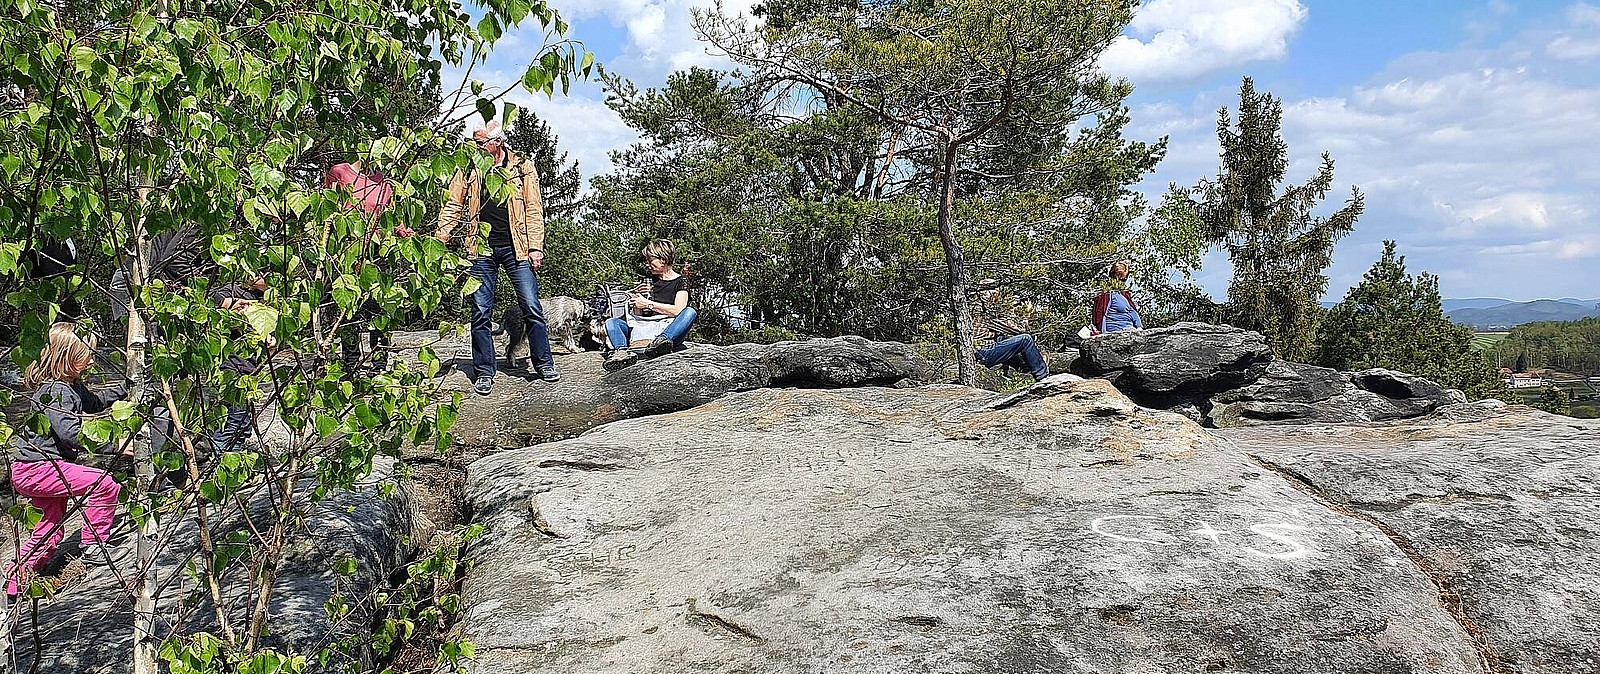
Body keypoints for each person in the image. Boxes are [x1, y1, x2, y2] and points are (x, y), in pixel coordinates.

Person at [433, 122, 559, 395]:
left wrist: (536, 246)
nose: (474, 147)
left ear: (497, 142)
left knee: (531, 306)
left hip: (519, 246)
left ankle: (543, 363)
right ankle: (484, 371)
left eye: (480, 143)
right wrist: (438, 241)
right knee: (480, 312)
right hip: (480, 249)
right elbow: (454, 204)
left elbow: (534, 208)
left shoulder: (522, 167)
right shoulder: (468, 166)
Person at [6, 323, 131, 595]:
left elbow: (96, 402)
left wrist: (127, 386)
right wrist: (115, 445)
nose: (92, 360)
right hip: (38, 468)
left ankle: (16, 580)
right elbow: (69, 433)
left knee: (50, 527)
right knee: (103, 485)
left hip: (35, 469)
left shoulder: (71, 387)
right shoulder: (56, 390)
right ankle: (94, 545)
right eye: (86, 354)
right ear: (66, 357)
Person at [324, 161, 402, 373]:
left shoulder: (385, 182)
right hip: (348, 250)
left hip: (377, 251)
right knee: (350, 310)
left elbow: (391, 218)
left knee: (380, 307)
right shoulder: (340, 172)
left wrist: (409, 235)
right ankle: (351, 364)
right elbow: (327, 207)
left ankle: (379, 364)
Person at [602, 240, 697, 372]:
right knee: (612, 322)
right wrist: (638, 303)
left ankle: (661, 342)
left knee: (690, 312)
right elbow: (638, 319)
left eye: (650, 260)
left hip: (668, 327)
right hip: (645, 328)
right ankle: (622, 352)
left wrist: (649, 304)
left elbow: (678, 310)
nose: (648, 265)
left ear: (663, 260)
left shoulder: (681, 281)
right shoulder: (649, 281)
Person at [971, 281, 1049, 383]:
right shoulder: (987, 310)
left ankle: (1025, 365)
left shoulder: (973, 305)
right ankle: (1043, 376)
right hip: (982, 353)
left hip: (975, 350)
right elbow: (1018, 330)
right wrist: (1025, 316)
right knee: (1026, 339)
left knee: (1003, 338)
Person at [1093, 262, 1143, 334]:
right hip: (1117, 330)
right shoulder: (1106, 295)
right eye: (1121, 278)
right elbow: (1101, 315)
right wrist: (1103, 334)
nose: (1123, 281)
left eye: (1125, 278)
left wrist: (1139, 326)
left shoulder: (1124, 295)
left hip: (1130, 328)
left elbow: (1132, 312)